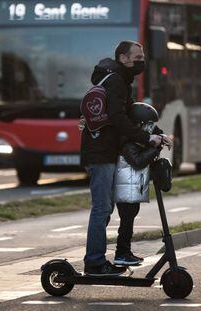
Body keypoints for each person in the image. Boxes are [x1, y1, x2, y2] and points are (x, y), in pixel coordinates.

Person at [80, 41, 162, 276]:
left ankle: (102, 258)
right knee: (102, 208)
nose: (141, 61)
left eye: (142, 56)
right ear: (123, 58)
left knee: (107, 207)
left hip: (105, 150)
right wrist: (146, 139)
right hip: (100, 152)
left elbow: (122, 117)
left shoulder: (118, 79)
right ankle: (95, 263)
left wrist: (151, 135)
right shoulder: (116, 80)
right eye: (137, 57)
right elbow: (117, 118)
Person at [113, 103, 172, 266]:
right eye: (148, 124)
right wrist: (157, 147)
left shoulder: (138, 138)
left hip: (133, 186)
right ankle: (121, 253)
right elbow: (138, 161)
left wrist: (161, 136)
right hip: (126, 188)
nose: (151, 128)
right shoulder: (128, 142)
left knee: (130, 218)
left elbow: (154, 133)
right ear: (138, 123)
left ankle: (125, 251)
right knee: (127, 220)